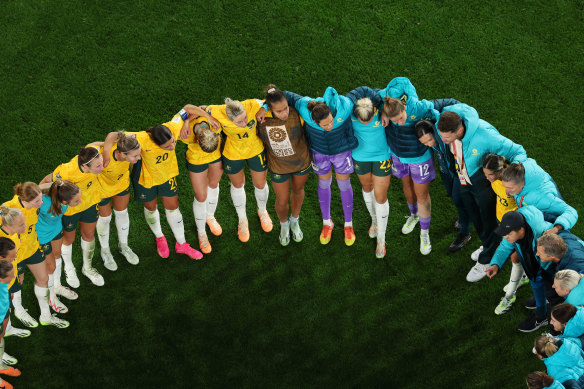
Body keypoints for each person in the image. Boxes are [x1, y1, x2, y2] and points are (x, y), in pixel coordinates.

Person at [437, 103, 527, 282]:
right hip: (464, 179)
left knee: (487, 221)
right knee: (475, 218)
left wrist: (510, 178)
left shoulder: (485, 135)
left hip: (482, 183)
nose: (443, 140)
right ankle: (487, 245)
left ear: (459, 129)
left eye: (446, 137)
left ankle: (487, 259)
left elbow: (518, 151)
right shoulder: (449, 124)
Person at [106, 107, 207, 260]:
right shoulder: (142, 138)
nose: (172, 147)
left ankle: (182, 244)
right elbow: (114, 135)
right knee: (151, 209)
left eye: (173, 142)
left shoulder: (172, 127)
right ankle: (160, 237)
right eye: (167, 147)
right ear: (155, 142)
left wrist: (193, 120)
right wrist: (106, 153)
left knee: (173, 209)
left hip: (167, 177)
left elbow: (187, 108)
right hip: (146, 180)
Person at [283, 87, 357, 246]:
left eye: (331, 121)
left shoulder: (343, 108)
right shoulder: (305, 109)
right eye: (325, 125)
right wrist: (264, 107)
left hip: (341, 152)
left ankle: (348, 225)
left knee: (344, 184)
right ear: (315, 122)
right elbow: (285, 95)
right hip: (319, 153)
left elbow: (362, 92)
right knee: (324, 184)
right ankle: (326, 222)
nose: (330, 126)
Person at [377, 77, 440, 254]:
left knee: (422, 194)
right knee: (406, 185)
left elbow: (437, 111)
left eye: (401, 118)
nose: (399, 122)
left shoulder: (419, 107)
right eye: (394, 120)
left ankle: (425, 233)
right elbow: (371, 94)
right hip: (397, 155)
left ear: (405, 107)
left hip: (419, 157)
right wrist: (382, 111)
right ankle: (413, 216)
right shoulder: (385, 99)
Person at [2, 183, 68, 329]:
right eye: (37, 201)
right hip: (15, 255)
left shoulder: (34, 197)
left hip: (32, 247)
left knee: (43, 278)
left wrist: (59, 181)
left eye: (40, 198)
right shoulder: (8, 209)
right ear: (24, 200)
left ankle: (46, 316)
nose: (41, 203)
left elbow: (47, 184)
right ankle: (18, 310)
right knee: (16, 285)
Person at [206, 98, 272, 243]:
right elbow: (196, 108)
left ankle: (262, 211)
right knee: (238, 185)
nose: (244, 124)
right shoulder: (218, 111)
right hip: (233, 153)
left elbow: (276, 97)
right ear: (229, 118)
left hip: (255, 150)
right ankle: (242, 220)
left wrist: (265, 108)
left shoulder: (252, 104)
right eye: (239, 122)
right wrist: (207, 117)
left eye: (245, 119)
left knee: (260, 184)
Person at [486, 207, 560, 332]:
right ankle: (541, 305)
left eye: (508, 234)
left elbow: (569, 212)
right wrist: (495, 264)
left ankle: (546, 320)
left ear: (521, 230)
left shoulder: (542, 233)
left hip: (550, 270)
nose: (505, 237)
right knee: (536, 282)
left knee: (555, 296)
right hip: (533, 268)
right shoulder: (517, 231)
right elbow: (505, 246)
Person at [40, 146, 105, 287]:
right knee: (68, 239)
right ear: (84, 166)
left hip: (90, 202)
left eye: (102, 162)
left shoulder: (92, 154)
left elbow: (99, 143)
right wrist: (38, 200)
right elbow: (47, 181)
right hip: (71, 210)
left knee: (89, 235)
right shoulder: (66, 171)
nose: (103, 166)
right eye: (98, 166)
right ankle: (69, 267)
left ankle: (87, 268)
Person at [256, 85, 312, 247]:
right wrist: (263, 108)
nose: (284, 113)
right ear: (270, 109)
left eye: (286, 108)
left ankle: (294, 220)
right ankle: (284, 225)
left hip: (301, 162)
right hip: (278, 166)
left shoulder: (297, 112)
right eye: (279, 111)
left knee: (298, 191)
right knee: (281, 201)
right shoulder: (260, 118)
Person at [343, 86, 390, 257]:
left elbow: (392, 92)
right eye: (361, 121)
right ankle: (375, 221)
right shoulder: (348, 112)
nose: (365, 123)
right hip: (360, 157)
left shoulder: (380, 107)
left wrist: (385, 110)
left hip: (381, 156)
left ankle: (381, 241)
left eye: (369, 120)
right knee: (367, 188)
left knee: (380, 195)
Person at [481, 154, 528, 315]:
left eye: (491, 175)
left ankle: (510, 296)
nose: (488, 178)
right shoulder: (496, 180)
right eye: (485, 174)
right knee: (514, 254)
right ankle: (524, 276)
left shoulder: (513, 183)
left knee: (515, 257)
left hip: (514, 224)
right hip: (502, 220)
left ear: (501, 170)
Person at [416, 120, 471, 252]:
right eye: (425, 143)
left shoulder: (446, 139)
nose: (429, 144)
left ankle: (465, 233)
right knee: (453, 196)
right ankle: (465, 217)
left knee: (459, 200)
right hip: (446, 171)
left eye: (429, 139)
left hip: (459, 172)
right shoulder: (433, 143)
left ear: (434, 132)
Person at [95, 131, 142, 270]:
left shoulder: (128, 143)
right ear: (122, 154)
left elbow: (113, 134)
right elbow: (89, 147)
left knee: (122, 213)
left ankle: (123, 246)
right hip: (102, 190)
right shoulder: (102, 157)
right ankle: (105, 251)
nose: (139, 158)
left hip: (121, 186)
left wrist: (106, 146)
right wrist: (104, 149)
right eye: (135, 156)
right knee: (105, 219)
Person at [36, 180, 81, 315]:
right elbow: (26, 198)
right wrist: (39, 188)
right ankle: (51, 298)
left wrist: (54, 184)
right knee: (51, 267)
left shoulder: (61, 191)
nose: (80, 202)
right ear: (65, 201)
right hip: (42, 236)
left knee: (57, 257)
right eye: (77, 201)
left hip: (56, 230)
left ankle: (57, 286)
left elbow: (57, 184)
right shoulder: (43, 203)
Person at [179, 114, 222, 253]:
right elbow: (187, 109)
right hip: (196, 158)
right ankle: (201, 233)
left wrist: (207, 115)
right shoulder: (184, 133)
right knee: (201, 196)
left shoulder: (215, 123)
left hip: (215, 154)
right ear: (196, 140)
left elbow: (204, 107)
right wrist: (186, 122)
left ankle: (209, 216)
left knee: (214, 184)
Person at [502, 159, 578, 234]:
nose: (506, 191)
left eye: (510, 188)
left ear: (522, 185)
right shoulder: (517, 172)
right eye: (505, 187)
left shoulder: (545, 199)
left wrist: (556, 228)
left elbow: (571, 211)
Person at [0, 241, 20, 389]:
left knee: (1, 336)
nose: (13, 278)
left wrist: (8, 293)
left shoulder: (3, 268)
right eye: (11, 276)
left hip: (3, 308)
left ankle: (0, 364)